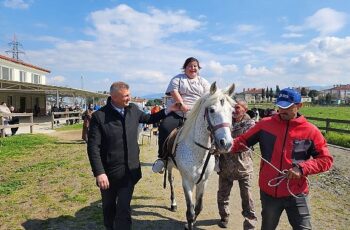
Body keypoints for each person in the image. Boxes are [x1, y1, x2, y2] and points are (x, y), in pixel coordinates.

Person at [230, 88, 333, 230]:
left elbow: (326, 160)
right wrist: (221, 145)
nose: (282, 110)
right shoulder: (264, 125)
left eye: (287, 107)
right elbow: (241, 142)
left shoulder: (311, 131)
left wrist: (302, 168)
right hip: (269, 193)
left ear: (299, 106)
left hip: (297, 193)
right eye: (280, 106)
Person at [87, 81, 177, 230]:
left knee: (123, 208)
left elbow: (149, 119)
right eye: (126, 96)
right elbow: (93, 148)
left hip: (130, 171)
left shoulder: (133, 109)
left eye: (129, 94)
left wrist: (168, 110)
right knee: (109, 207)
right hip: (108, 173)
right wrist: (99, 173)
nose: (129, 98)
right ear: (114, 97)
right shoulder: (99, 116)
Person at [152, 57, 210, 173]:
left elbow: (208, 96)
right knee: (164, 127)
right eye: (190, 66)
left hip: (196, 115)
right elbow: (174, 92)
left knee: (211, 129)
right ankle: (162, 158)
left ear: (198, 68)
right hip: (178, 112)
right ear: (185, 68)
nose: (193, 68)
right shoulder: (178, 79)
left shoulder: (203, 82)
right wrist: (181, 103)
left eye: (195, 66)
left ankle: (216, 157)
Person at [217, 100, 257, 229]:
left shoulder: (250, 123)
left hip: (243, 167)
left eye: (237, 107)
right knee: (222, 195)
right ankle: (224, 217)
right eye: (233, 107)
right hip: (225, 166)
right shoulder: (225, 122)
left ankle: (250, 223)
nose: (234, 109)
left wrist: (223, 146)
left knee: (247, 198)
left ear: (245, 109)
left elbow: (246, 143)